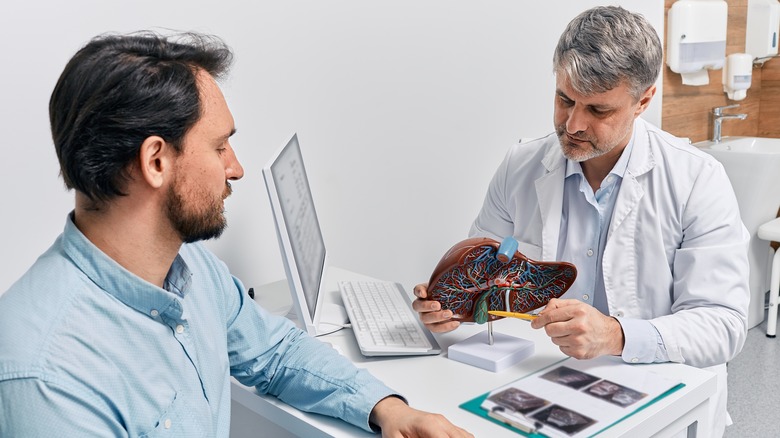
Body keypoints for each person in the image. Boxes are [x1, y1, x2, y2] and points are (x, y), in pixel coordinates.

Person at [0, 32, 472, 437]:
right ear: (156, 161)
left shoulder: (189, 269)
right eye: (220, 146)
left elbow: (275, 352)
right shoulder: (46, 376)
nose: (236, 168)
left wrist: (389, 410)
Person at [413, 6, 749, 436]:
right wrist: (454, 307)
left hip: (659, 395)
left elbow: (722, 324)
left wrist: (617, 335)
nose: (572, 124)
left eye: (598, 110)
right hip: (542, 385)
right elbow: (483, 268)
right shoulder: (521, 166)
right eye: (564, 99)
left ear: (643, 100)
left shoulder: (697, 179)